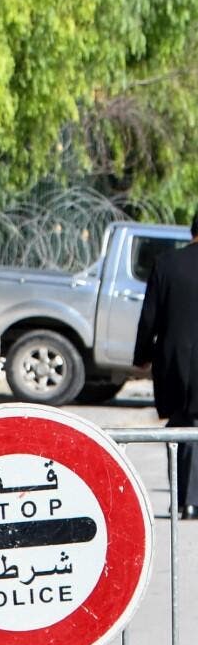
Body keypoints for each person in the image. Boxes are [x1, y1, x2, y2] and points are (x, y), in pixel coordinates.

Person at [133, 210, 198, 519]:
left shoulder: (167, 263)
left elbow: (149, 317)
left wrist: (142, 355)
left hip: (174, 362)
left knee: (182, 426)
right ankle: (190, 499)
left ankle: (184, 499)